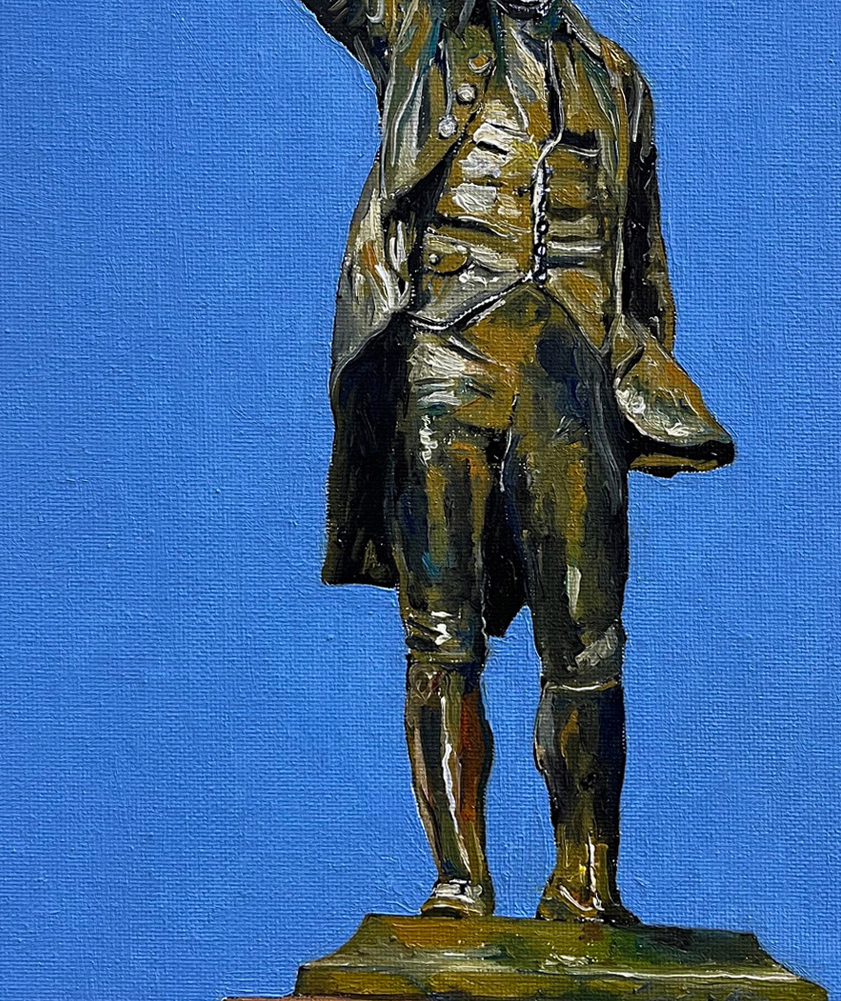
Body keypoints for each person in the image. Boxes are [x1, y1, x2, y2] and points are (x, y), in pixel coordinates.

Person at [295, 0, 734, 923]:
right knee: (440, 631)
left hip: (569, 374)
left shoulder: (615, 75)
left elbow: (639, 256)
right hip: (442, 359)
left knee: (587, 639)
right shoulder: (421, 24)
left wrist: (637, 374)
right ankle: (460, 879)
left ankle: (584, 880)